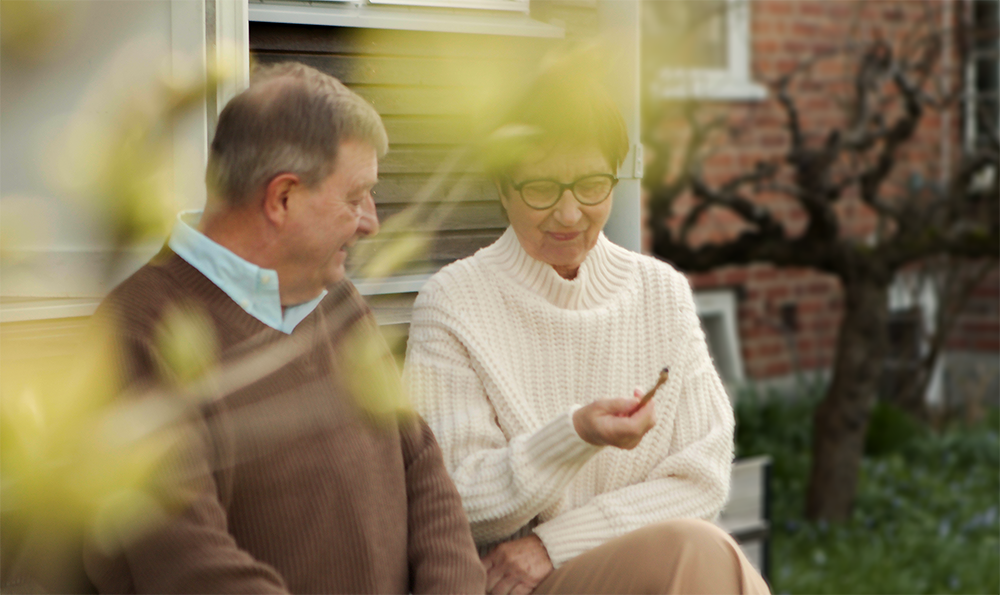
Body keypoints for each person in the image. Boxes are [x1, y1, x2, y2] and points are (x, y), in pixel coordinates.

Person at [86, 62, 486, 595]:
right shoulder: (135, 331)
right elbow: (189, 567)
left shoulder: (338, 301)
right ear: (282, 199)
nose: (371, 220)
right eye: (354, 197)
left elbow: (422, 468)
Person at [403, 67, 771, 595]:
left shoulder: (659, 291)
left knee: (703, 554)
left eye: (593, 185)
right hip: (514, 585)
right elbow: (459, 498)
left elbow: (701, 477)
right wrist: (574, 434)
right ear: (502, 189)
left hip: (629, 567)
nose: (570, 213)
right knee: (705, 555)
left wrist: (555, 543)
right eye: (541, 188)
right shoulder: (455, 302)